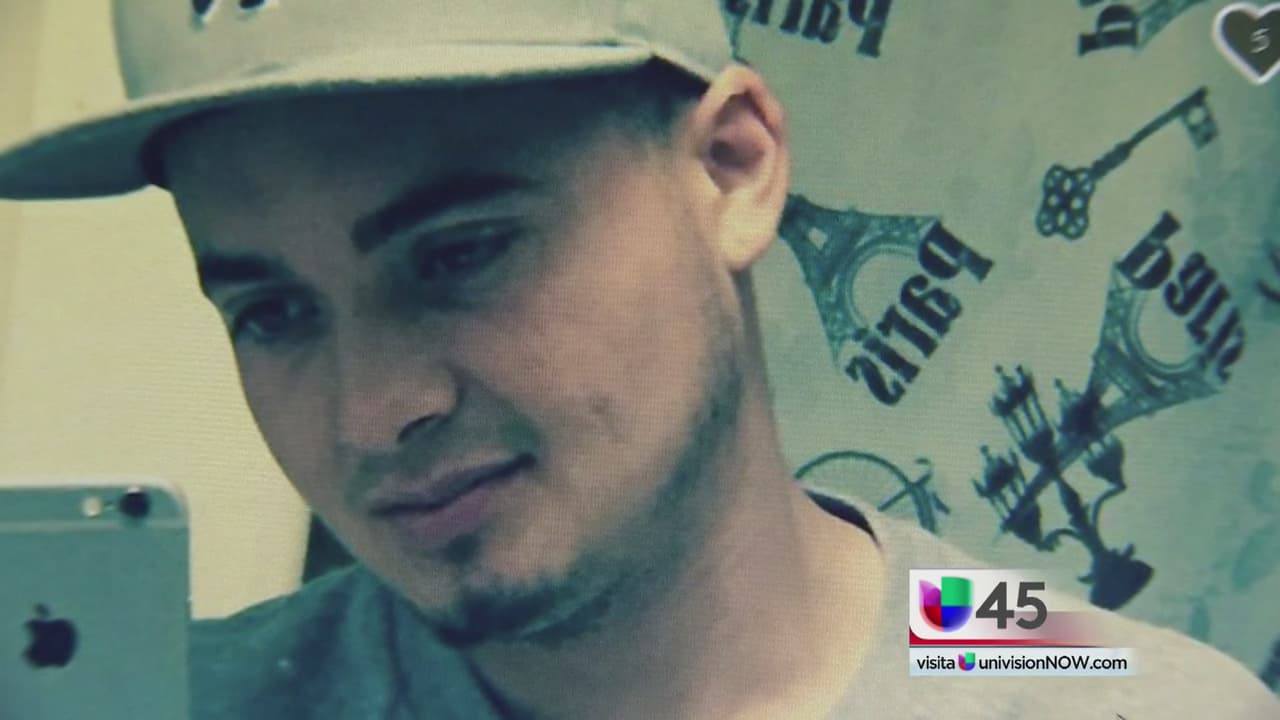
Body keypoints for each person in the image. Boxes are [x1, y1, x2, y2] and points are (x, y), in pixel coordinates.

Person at [1, 1, 1275, 718]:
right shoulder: (171, 702)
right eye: (273, 312)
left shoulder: (1103, 692)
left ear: (730, 168)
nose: (372, 411)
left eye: (460, 254)